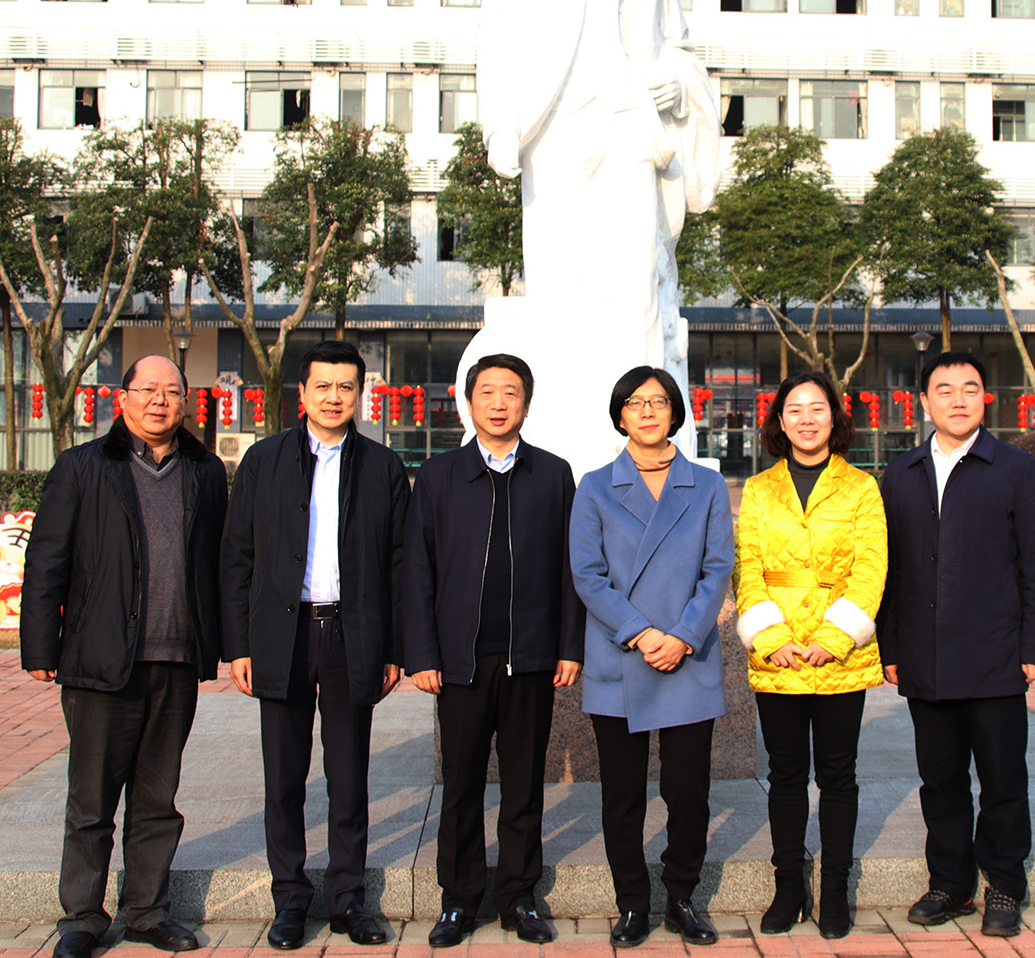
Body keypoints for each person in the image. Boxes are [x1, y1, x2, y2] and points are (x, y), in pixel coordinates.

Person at [464, 0, 719, 475]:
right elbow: (497, 42)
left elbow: (678, 45)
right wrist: (499, 128)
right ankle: (558, 432)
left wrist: (674, 79)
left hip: (630, 126)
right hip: (552, 128)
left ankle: (638, 434)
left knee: (634, 283)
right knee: (559, 281)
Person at [22, 355, 226, 957]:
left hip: (176, 659)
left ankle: (146, 911)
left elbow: (221, 561)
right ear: (123, 397)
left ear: (186, 402)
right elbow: (46, 562)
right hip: (101, 659)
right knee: (91, 800)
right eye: (148, 390)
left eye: (172, 391)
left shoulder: (205, 471)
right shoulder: (82, 467)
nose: (160, 401)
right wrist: (40, 645)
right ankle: (82, 918)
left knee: (158, 800)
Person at [221, 341, 411, 951]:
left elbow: (400, 565)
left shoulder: (382, 466)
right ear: (300, 393)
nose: (334, 397)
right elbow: (237, 556)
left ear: (361, 394)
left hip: (352, 636)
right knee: (284, 777)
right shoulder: (264, 461)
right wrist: (239, 645)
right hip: (284, 634)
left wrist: (394, 648)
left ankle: (348, 899)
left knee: (348, 777)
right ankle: (290, 900)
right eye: (322, 386)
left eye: (345, 387)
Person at [401, 354, 585, 947]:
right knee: (460, 787)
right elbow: (418, 570)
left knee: (524, 785)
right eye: (488, 392)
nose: (499, 403)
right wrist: (422, 654)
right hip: (461, 662)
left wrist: (569, 647)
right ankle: (458, 900)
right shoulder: (439, 475)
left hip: (531, 658)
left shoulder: (553, 474)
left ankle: (518, 897)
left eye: (511, 393)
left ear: (526, 404)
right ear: (468, 402)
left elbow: (571, 569)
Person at [878, 351, 1035, 939]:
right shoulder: (900, 474)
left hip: (995, 654)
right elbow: (889, 570)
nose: (958, 399)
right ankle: (950, 883)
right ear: (923, 402)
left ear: (986, 398)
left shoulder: (1015, 469)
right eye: (945, 389)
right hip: (924, 656)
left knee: (1003, 780)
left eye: (970, 388)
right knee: (941, 782)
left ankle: (1003, 884)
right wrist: (890, 647)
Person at [569, 365, 733, 947]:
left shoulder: (706, 485)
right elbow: (588, 575)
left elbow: (717, 568)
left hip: (688, 655)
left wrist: (682, 636)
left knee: (688, 792)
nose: (646, 411)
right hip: (621, 655)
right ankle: (633, 903)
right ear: (620, 414)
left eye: (658, 401)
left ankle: (681, 895)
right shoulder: (594, 486)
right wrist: (641, 634)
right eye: (635, 402)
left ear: (675, 412)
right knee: (623, 795)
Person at [734, 371, 887, 940]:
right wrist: (772, 639)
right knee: (786, 775)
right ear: (779, 420)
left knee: (839, 775)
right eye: (793, 409)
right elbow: (747, 568)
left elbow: (871, 567)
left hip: (839, 655)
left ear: (835, 417)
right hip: (779, 656)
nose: (805, 418)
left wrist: (836, 636)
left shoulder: (862, 488)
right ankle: (789, 887)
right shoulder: (758, 490)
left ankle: (836, 890)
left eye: (816, 408)